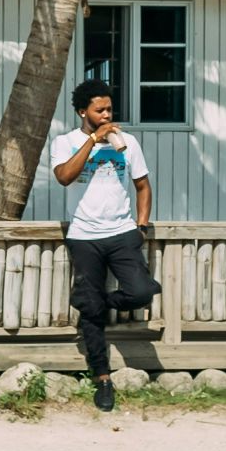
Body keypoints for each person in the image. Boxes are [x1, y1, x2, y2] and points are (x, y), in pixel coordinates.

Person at [51, 77, 160, 412]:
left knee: (141, 291)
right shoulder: (65, 141)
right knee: (92, 315)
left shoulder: (128, 143)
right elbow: (64, 177)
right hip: (84, 236)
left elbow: (143, 185)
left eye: (109, 109)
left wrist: (140, 227)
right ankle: (102, 378)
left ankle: (95, 300)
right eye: (100, 110)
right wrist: (94, 141)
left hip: (122, 232)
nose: (106, 114)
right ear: (83, 111)